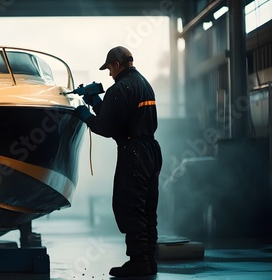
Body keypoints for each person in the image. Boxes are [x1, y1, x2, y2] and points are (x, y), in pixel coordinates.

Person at [75, 46, 163, 277]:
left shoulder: (119, 88)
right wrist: (95, 102)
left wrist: (85, 117)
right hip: (151, 150)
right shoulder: (143, 83)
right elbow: (120, 117)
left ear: (116, 64)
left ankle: (138, 263)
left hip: (133, 152)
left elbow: (106, 127)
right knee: (147, 209)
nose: (109, 75)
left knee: (130, 207)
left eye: (109, 69)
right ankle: (149, 261)